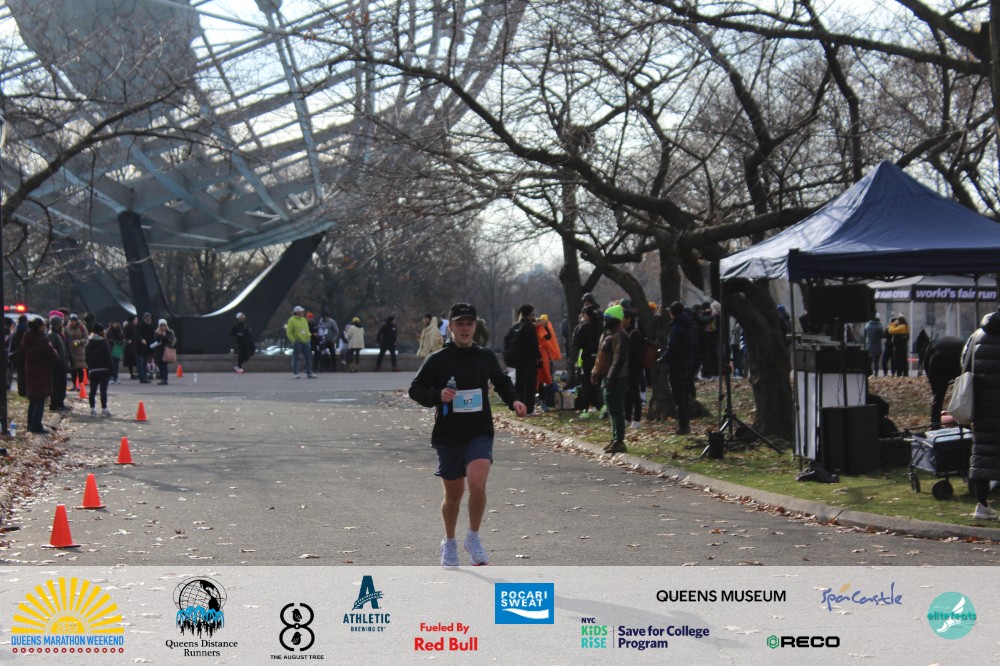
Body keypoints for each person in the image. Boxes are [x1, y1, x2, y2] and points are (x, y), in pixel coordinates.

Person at [408, 302, 527, 567]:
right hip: (449, 434)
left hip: (479, 431)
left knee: (477, 483)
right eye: (459, 324)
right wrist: (438, 395)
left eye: (469, 324)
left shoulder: (484, 357)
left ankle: (473, 537)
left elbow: (502, 382)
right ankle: (450, 542)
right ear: (450, 327)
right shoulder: (438, 360)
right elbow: (416, 389)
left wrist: (514, 400)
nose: (464, 329)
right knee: (454, 496)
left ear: (475, 326)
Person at [959, 310, 1000, 520]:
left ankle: (982, 506)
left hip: (982, 405)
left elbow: (964, 363)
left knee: (982, 456)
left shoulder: (977, 335)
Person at [592, 304, 629, 453]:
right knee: (611, 410)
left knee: (616, 410)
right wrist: (595, 372)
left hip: (617, 378)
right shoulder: (607, 334)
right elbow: (600, 356)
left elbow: (619, 359)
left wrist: (611, 376)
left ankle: (619, 441)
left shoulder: (620, 335)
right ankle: (614, 439)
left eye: (607, 318)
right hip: (607, 377)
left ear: (616, 319)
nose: (604, 320)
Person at [659, 301, 698, 435]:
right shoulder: (690, 326)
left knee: (678, 397)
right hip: (688, 364)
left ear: (672, 313)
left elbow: (672, 348)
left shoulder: (676, 328)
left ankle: (683, 425)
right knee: (685, 395)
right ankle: (685, 424)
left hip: (677, 366)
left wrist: (663, 358)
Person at [21, 317, 58, 434]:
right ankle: (36, 426)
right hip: (41, 372)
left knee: (33, 399)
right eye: (43, 325)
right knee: (40, 399)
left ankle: (30, 425)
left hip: (30, 370)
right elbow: (53, 355)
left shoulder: (27, 338)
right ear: (40, 327)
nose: (45, 327)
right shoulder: (42, 340)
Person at [509, 304, 542, 415]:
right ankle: (529, 409)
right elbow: (534, 345)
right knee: (530, 385)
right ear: (531, 314)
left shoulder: (516, 326)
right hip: (530, 360)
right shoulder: (530, 327)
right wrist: (539, 357)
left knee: (519, 384)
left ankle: (519, 408)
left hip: (518, 360)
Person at [924, 336, 963, 429]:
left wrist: (932, 381)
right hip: (958, 359)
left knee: (938, 397)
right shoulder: (961, 342)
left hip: (938, 361)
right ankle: (964, 424)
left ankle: (935, 424)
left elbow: (926, 362)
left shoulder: (933, 342)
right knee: (962, 395)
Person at [84, 323, 113, 416]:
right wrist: (111, 369)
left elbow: (86, 358)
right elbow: (108, 357)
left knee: (92, 390)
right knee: (103, 390)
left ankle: (92, 409)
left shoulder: (89, 343)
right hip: (104, 369)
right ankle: (104, 409)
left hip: (93, 370)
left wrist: (90, 366)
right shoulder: (104, 343)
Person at [46, 314, 70, 413]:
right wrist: (58, 360)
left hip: (61, 364)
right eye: (60, 323)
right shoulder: (52, 335)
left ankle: (60, 403)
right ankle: (55, 404)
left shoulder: (58, 334)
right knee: (57, 385)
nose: (62, 325)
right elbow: (51, 350)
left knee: (62, 385)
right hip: (56, 366)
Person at [285, 306, 316, 378]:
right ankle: (296, 373)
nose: (302, 312)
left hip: (306, 341)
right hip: (297, 341)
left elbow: (306, 329)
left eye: (302, 311)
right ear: (297, 312)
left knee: (308, 357)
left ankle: (309, 372)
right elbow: (289, 332)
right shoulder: (291, 320)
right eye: (301, 311)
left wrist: (308, 337)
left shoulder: (304, 319)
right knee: (296, 357)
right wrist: (293, 340)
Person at [151, 319, 177, 385]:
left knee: (164, 365)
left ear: (166, 325)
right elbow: (155, 341)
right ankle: (162, 378)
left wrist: (164, 336)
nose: (163, 326)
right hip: (159, 351)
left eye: (164, 325)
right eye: (161, 325)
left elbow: (170, 341)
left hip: (166, 351)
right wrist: (159, 335)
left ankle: (165, 379)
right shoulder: (157, 332)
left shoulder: (169, 332)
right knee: (160, 365)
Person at [66, 314, 89, 388]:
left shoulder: (82, 327)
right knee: (73, 369)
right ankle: (74, 384)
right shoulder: (67, 328)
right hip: (71, 351)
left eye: (73, 321)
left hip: (80, 351)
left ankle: (80, 384)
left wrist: (79, 341)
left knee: (80, 368)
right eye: (71, 321)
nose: (72, 322)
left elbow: (86, 338)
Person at [136, 312, 156, 383]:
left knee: (144, 363)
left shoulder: (151, 326)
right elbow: (138, 335)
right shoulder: (140, 325)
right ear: (144, 318)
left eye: (149, 318)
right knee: (141, 363)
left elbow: (152, 336)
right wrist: (141, 339)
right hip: (140, 348)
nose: (148, 319)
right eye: (146, 318)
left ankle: (144, 377)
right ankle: (142, 377)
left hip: (146, 348)